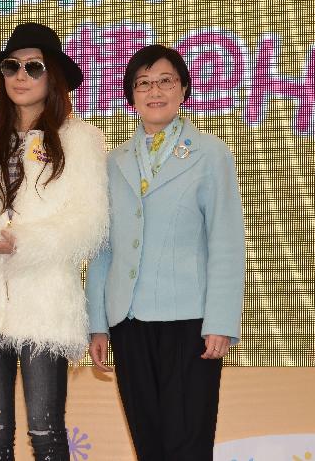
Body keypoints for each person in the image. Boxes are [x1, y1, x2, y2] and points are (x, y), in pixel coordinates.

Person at [0, 23, 108, 461]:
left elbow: (89, 223)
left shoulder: (80, 139)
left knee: (46, 434)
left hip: (45, 298)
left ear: (52, 75)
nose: (20, 75)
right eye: (10, 66)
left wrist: (21, 241)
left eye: (33, 67)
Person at [86, 44, 245, 461]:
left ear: (184, 89)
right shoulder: (113, 161)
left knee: (188, 442)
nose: (154, 91)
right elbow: (102, 248)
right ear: (131, 96)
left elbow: (226, 242)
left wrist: (222, 321)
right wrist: (98, 324)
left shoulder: (210, 153)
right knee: (149, 441)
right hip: (130, 320)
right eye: (143, 83)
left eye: (165, 81)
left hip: (190, 320)